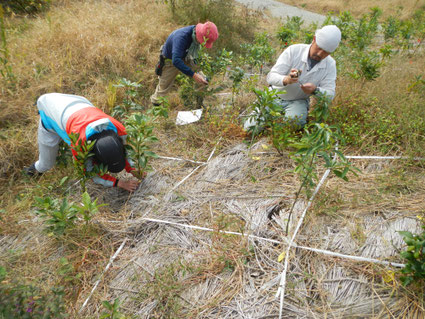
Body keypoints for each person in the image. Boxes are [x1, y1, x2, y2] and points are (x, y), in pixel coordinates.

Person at [24, 93, 141, 192]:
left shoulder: (119, 129)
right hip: (49, 111)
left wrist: (132, 169)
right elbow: (89, 173)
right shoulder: (80, 146)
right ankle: (31, 172)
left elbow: (126, 151)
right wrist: (118, 183)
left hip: (78, 103)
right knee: (46, 164)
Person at [265, 25, 342, 128]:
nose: (320, 54)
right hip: (274, 95)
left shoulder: (330, 64)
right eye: (319, 48)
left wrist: (315, 90)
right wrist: (286, 79)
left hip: (298, 101)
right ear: (314, 39)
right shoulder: (294, 51)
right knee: (250, 127)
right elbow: (270, 77)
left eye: (325, 52)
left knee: (294, 124)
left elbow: (330, 95)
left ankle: (275, 126)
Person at [150, 21, 219, 106]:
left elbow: (194, 55)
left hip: (187, 56)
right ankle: (156, 111)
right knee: (163, 89)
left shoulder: (195, 36)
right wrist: (193, 75)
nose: (202, 44)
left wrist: (197, 72)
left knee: (203, 79)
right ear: (199, 34)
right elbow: (176, 61)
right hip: (170, 60)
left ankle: (199, 106)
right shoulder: (181, 37)